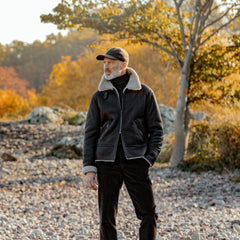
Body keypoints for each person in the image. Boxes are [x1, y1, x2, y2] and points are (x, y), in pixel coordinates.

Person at [82, 47, 163, 240]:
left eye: (110, 63)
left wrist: (148, 158)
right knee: (106, 218)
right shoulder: (99, 96)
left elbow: (157, 131)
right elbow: (90, 134)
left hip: (136, 160)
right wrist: (89, 168)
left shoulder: (144, 93)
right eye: (104, 63)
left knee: (148, 214)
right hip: (106, 162)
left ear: (124, 65)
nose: (106, 67)